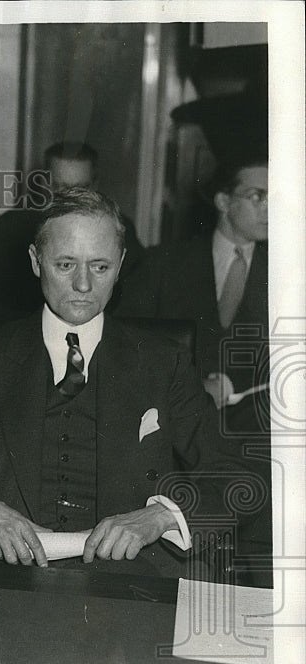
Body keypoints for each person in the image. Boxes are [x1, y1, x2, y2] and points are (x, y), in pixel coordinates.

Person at [0, 188, 254, 577]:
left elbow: (239, 479)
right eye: (66, 265)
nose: (83, 286)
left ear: (120, 265)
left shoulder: (162, 362)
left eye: (100, 267)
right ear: (37, 262)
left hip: (129, 574)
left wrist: (160, 517)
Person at [117, 154, 270, 579]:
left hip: (262, 447)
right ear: (223, 200)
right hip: (180, 450)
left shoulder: (292, 269)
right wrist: (194, 386)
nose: (270, 208)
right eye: (257, 195)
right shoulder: (165, 263)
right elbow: (128, 347)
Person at [0, 141, 144, 314]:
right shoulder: (11, 228)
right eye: (59, 187)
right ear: (44, 184)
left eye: (80, 188)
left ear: (95, 185)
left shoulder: (118, 229)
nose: (69, 198)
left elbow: (134, 308)